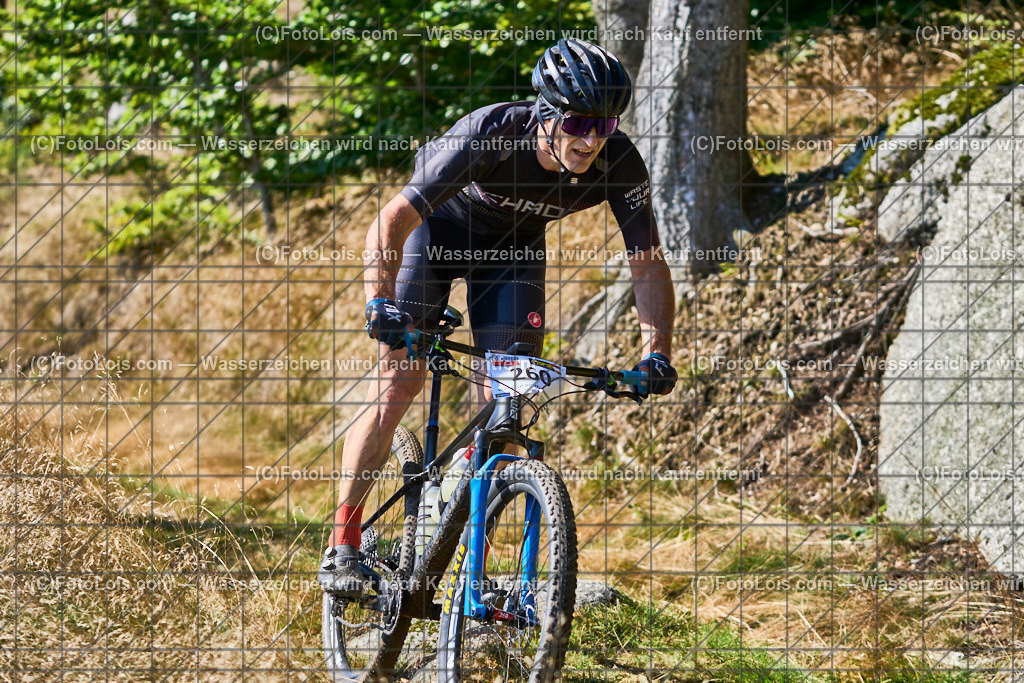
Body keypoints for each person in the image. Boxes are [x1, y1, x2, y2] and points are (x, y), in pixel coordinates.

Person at [319, 38, 678, 597]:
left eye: (603, 127)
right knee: (398, 384)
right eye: (579, 122)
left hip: (511, 253)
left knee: (507, 403)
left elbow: (647, 263)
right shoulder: (493, 131)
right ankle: (343, 544)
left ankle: (467, 550)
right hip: (435, 238)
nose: (589, 140)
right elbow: (391, 220)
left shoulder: (619, 161)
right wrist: (379, 302)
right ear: (548, 113)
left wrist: (657, 352)